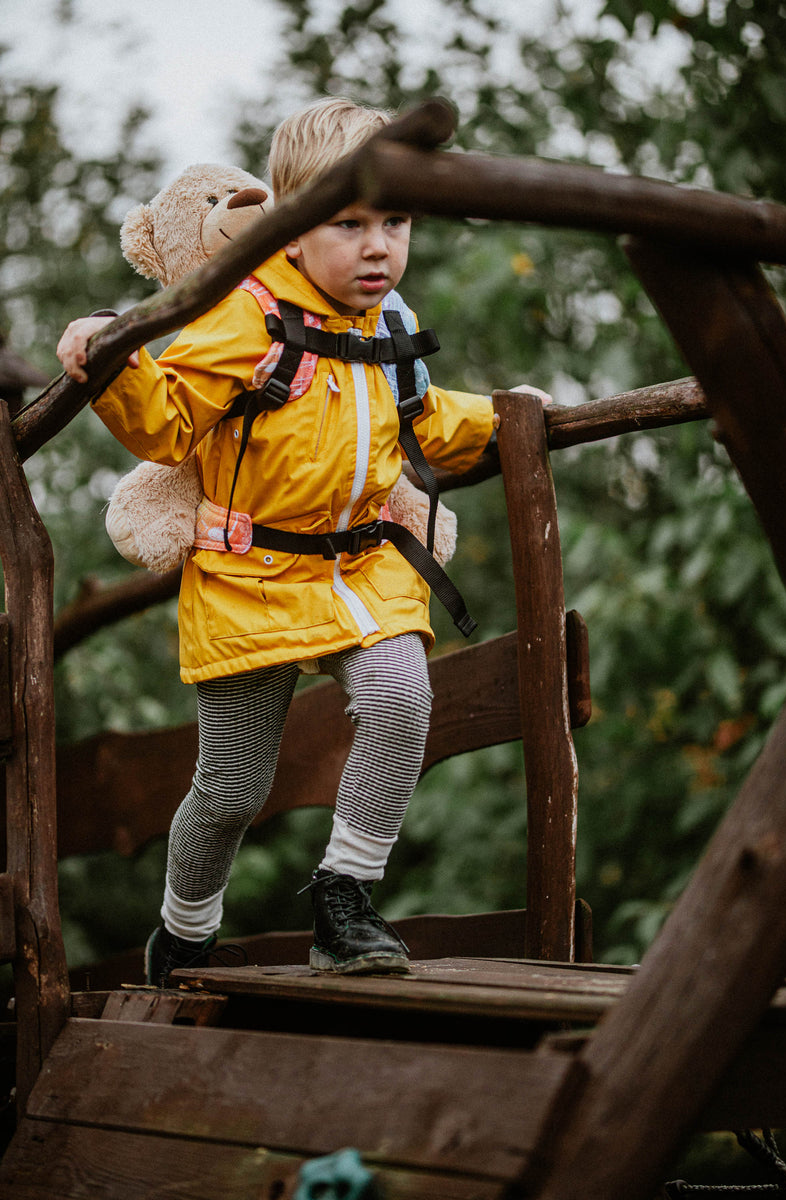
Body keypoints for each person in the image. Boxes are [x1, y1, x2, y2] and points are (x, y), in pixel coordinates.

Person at [58, 97, 551, 984]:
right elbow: (168, 422)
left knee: (402, 702)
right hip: (250, 576)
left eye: (394, 221)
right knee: (234, 792)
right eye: (349, 223)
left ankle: (344, 898)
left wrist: (513, 419)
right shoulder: (245, 317)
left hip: (364, 567)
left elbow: (426, 422)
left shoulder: (391, 326)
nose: (378, 247)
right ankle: (184, 930)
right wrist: (112, 364)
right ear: (288, 227)